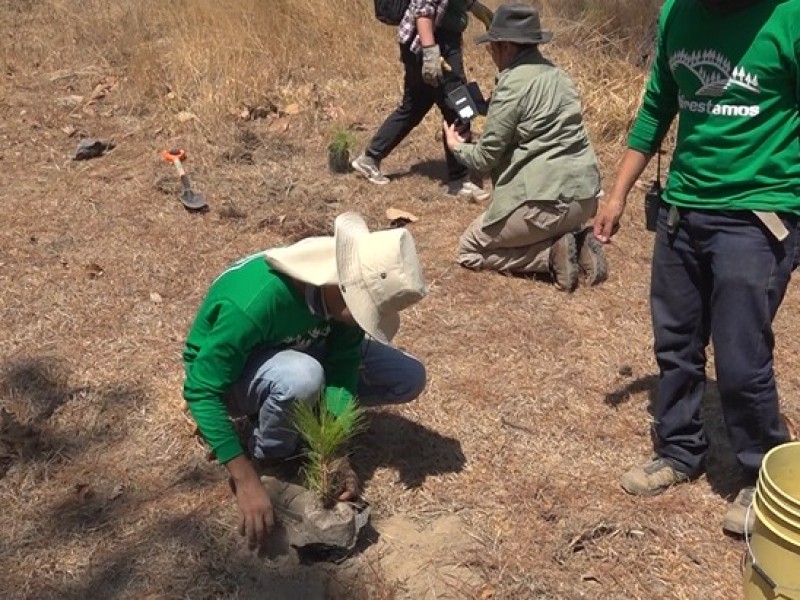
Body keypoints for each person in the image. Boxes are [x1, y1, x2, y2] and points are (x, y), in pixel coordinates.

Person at [593, 0, 800, 535]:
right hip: (683, 210)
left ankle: (763, 475)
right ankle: (681, 450)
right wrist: (617, 194)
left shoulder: (790, 16)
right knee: (675, 343)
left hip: (759, 215)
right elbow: (657, 107)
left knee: (741, 355)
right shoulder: (676, 14)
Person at [182, 212, 428, 551]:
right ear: (343, 287)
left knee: (408, 377)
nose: (363, 319)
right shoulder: (258, 301)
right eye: (364, 310)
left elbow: (343, 366)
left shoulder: (337, 295)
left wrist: (335, 449)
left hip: (296, 350)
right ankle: (272, 460)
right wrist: (245, 478)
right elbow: (200, 389)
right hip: (232, 378)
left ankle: (296, 414)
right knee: (302, 377)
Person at [442, 4, 607, 292]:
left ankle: (548, 257)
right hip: (584, 198)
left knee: (469, 249)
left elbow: (484, 159)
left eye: (492, 46)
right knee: (549, 220)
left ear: (505, 46)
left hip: (544, 202)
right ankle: (577, 243)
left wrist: (457, 146)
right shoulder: (559, 76)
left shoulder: (512, 84)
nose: (491, 53)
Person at [351, 0, 494, 201]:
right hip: (432, 43)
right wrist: (430, 54)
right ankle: (460, 181)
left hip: (422, 45)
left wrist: (476, 9)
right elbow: (423, 10)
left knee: (414, 106)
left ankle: (370, 158)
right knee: (459, 107)